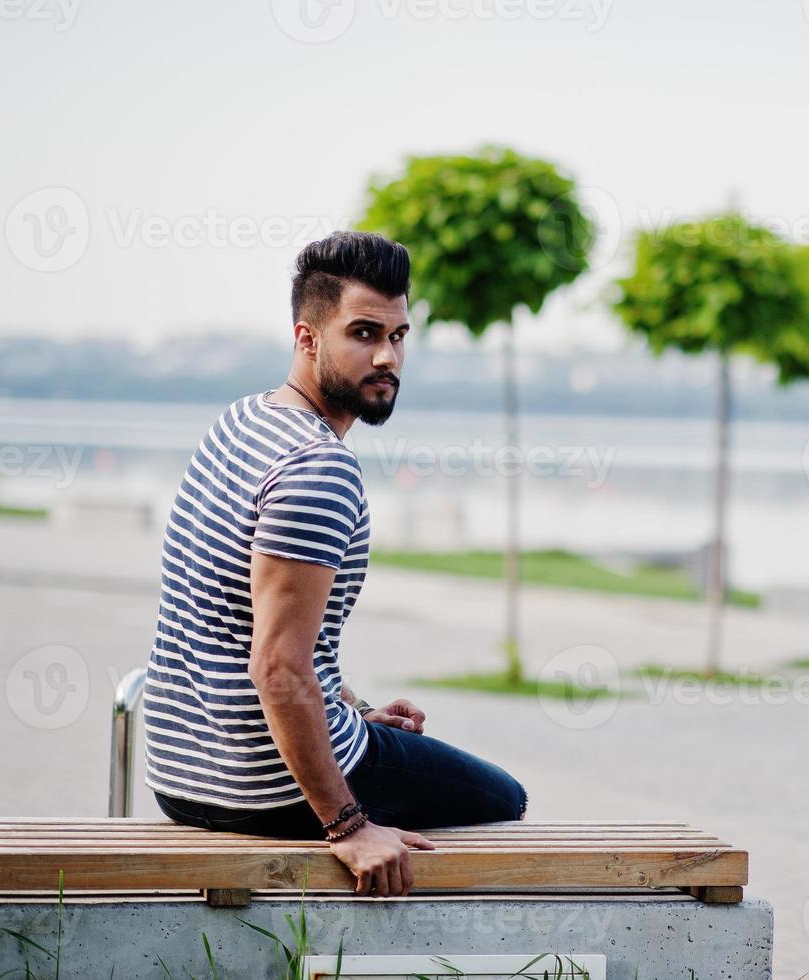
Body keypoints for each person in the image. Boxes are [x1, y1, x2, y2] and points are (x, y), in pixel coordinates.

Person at [142, 230, 528, 898]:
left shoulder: (240, 421)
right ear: (307, 337)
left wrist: (350, 708)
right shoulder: (318, 468)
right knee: (504, 796)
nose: (388, 357)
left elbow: (240, 621)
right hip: (265, 787)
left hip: (180, 778)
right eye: (364, 333)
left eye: (400, 335)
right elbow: (276, 663)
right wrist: (348, 826)